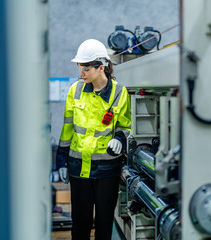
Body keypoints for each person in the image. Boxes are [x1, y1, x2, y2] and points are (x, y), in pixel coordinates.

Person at [56, 39, 131, 240]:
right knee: (80, 222)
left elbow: (125, 126)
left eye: (86, 68)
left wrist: (120, 139)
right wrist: (61, 161)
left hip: (106, 170)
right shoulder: (75, 90)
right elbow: (67, 128)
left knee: (104, 223)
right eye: (80, 67)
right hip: (78, 167)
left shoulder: (119, 93)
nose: (81, 73)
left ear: (101, 67)